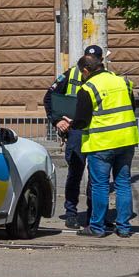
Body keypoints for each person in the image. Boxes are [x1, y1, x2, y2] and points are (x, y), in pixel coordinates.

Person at [62, 51, 137, 238]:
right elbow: (131, 108)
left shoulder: (88, 88)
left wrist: (71, 123)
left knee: (100, 186)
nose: (81, 77)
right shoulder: (123, 82)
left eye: (81, 73)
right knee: (123, 185)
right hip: (127, 141)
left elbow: (81, 121)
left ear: (86, 70)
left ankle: (97, 227)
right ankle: (124, 227)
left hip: (101, 143)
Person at [44, 51, 91, 229]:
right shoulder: (70, 74)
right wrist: (57, 120)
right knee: (75, 174)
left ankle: (94, 215)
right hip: (76, 133)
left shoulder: (105, 78)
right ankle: (71, 213)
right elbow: (49, 97)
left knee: (95, 177)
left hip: (96, 132)